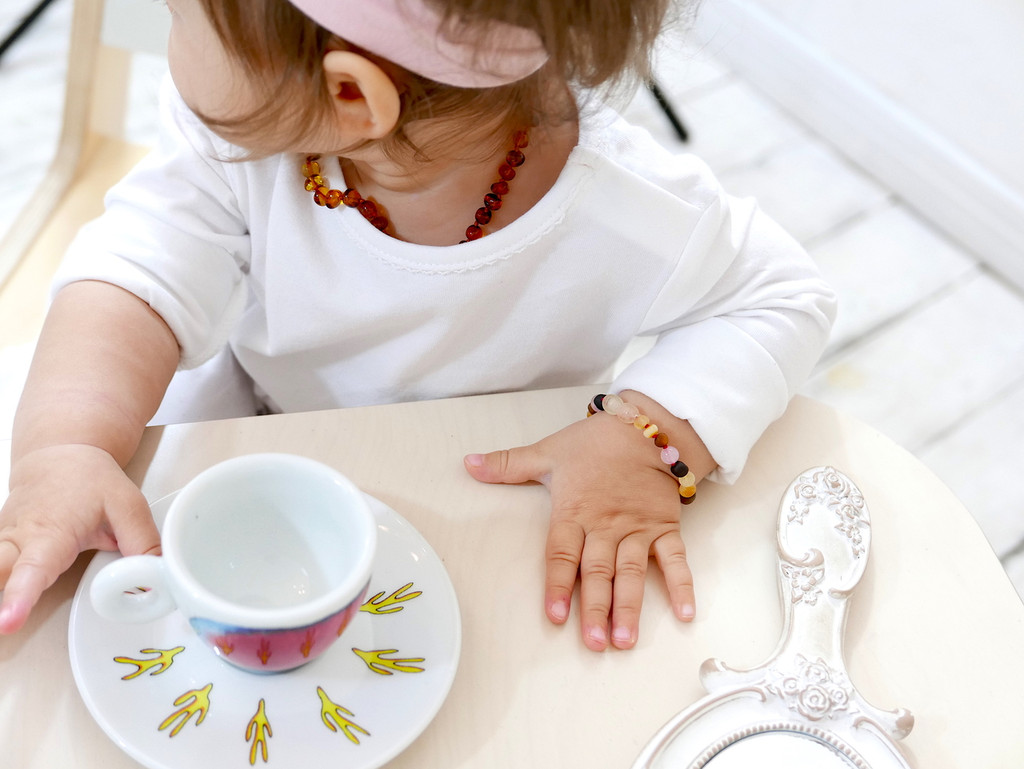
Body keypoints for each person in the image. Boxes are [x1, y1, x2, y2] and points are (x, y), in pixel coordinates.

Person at [0, 0, 835, 651]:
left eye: (180, 16)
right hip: (261, 455)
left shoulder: (628, 209)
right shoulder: (243, 148)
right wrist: (66, 447)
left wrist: (643, 437)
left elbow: (782, 296)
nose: (166, 27)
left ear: (350, 95)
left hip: (485, 519)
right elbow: (133, 276)